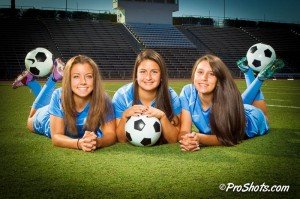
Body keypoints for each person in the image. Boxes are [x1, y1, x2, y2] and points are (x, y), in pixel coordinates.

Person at [179, 54, 284, 151]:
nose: (204, 78)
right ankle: (249, 73)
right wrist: (187, 139)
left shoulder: (226, 97)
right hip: (236, 107)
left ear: (219, 79)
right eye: (200, 72)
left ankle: (259, 78)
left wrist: (200, 138)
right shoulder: (188, 91)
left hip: (252, 119)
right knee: (237, 103)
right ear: (194, 74)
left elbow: (228, 138)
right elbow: (184, 130)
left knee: (264, 116)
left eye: (212, 74)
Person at [12, 55, 116, 152]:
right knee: (30, 118)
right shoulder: (58, 96)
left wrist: (98, 142)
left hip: (58, 111)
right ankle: (51, 79)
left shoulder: (103, 99)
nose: (83, 81)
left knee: (49, 104)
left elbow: (110, 134)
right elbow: (56, 136)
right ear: (68, 79)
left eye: (89, 76)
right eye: (76, 76)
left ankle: (30, 81)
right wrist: (79, 143)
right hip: (46, 120)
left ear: (95, 79)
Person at [112, 49, 182, 144]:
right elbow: (121, 140)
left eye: (154, 72)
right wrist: (124, 116)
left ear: (161, 76)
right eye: (143, 71)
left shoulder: (171, 96)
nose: (148, 77)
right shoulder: (122, 96)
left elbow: (174, 139)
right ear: (136, 75)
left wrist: (163, 117)